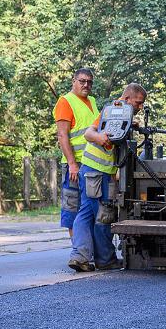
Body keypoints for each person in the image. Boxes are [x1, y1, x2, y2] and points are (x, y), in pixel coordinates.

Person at [68, 83, 147, 272]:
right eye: (138, 102)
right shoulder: (114, 110)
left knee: (92, 213)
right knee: (100, 214)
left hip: (95, 170)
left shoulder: (120, 112)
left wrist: (131, 124)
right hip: (97, 171)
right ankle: (97, 258)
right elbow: (89, 133)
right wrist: (99, 138)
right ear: (127, 99)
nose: (140, 107)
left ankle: (87, 256)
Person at [53, 68, 100, 238]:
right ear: (74, 81)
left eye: (89, 82)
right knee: (73, 207)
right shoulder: (66, 102)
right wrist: (72, 164)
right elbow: (62, 135)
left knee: (90, 209)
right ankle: (77, 251)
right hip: (76, 165)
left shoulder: (92, 101)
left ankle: (87, 250)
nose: (86, 85)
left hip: (92, 164)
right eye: (82, 81)